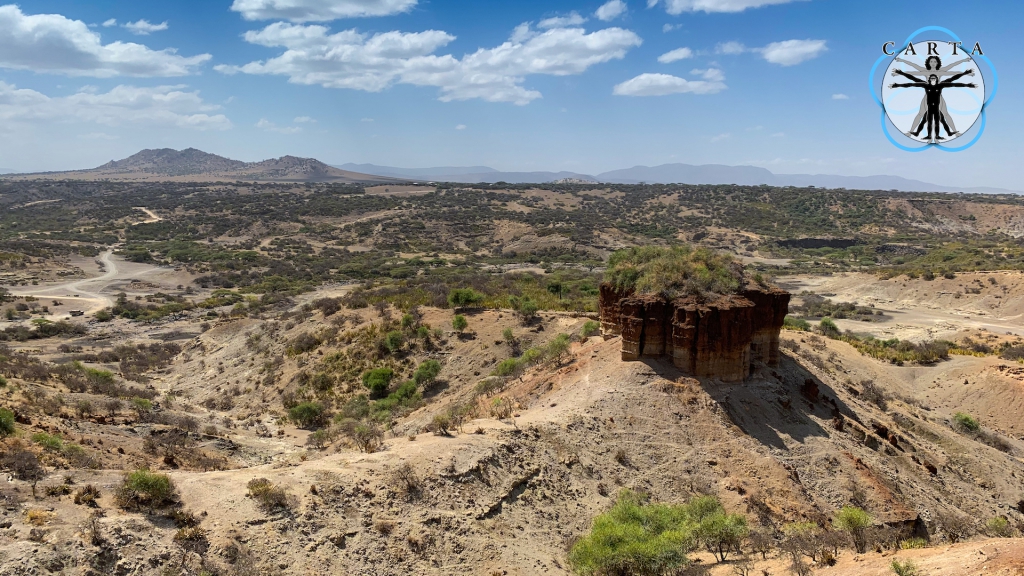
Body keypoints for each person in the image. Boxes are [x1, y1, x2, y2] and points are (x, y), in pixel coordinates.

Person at [891, 55, 973, 137]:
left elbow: (952, 70)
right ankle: (911, 132)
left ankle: (955, 132)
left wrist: (964, 64)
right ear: (928, 63)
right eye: (931, 61)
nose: (933, 63)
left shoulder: (941, 71)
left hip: (938, 96)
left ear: (937, 63)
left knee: (945, 114)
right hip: (928, 95)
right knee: (920, 114)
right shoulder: (924, 71)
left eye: (935, 61)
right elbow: (913, 71)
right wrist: (901, 63)